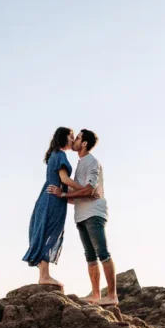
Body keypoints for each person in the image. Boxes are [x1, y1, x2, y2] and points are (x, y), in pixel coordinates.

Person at [47, 129, 118, 306]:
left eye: (77, 138)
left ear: (84, 143)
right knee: (90, 256)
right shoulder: (80, 164)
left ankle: (112, 295)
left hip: (94, 213)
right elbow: (80, 193)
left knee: (102, 252)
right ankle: (95, 294)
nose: (74, 141)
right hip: (81, 216)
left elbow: (89, 190)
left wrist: (65, 195)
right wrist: (62, 194)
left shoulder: (92, 162)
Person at [22, 127, 90, 287]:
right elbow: (64, 179)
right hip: (52, 200)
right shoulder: (60, 155)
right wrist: (84, 189)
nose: (73, 139)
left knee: (45, 232)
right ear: (63, 138)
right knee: (50, 232)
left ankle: (43, 275)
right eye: (71, 136)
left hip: (47, 198)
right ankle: (44, 276)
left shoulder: (54, 154)